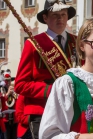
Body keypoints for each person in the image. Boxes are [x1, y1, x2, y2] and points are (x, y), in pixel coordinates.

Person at [14, 0, 80, 138]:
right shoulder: (33, 44)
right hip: (42, 112)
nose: (60, 18)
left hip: (73, 111)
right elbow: (20, 85)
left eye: (63, 14)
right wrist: (51, 90)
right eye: (55, 15)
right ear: (45, 18)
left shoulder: (77, 42)